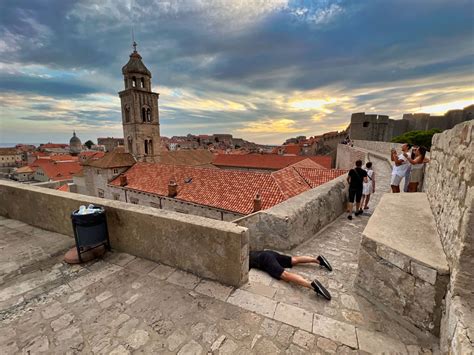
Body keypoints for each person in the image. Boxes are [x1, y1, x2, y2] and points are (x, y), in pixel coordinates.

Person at [249, 250, 332, 300]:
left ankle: (311, 285)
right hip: (268, 253)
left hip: (264, 259)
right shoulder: (248, 252)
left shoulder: (243, 259)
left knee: (284, 275)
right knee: (293, 259)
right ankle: (317, 260)